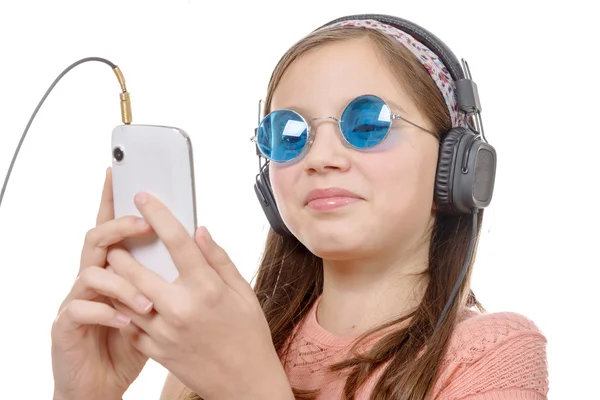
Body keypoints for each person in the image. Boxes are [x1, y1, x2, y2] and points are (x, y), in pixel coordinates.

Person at [50, 14, 549, 400]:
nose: (321, 158)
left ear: (456, 165)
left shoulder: (495, 353)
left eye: (368, 122)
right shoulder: (211, 346)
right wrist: (87, 395)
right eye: (290, 135)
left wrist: (247, 385)